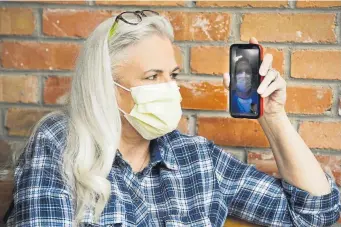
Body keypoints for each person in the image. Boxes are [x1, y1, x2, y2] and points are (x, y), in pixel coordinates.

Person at [4, 10, 341, 227]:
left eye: (173, 75)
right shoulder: (61, 143)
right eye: (152, 77)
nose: (169, 89)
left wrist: (274, 117)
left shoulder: (196, 157)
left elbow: (315, 214)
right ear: (105, 85)